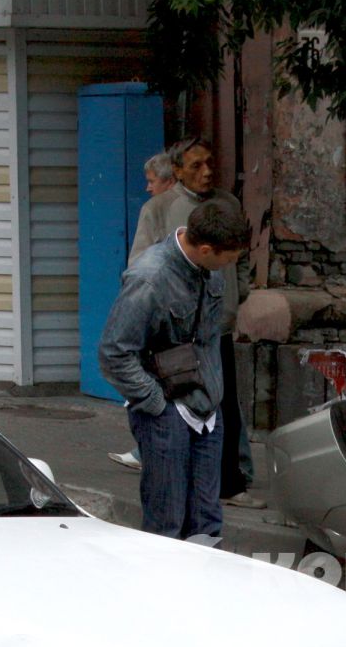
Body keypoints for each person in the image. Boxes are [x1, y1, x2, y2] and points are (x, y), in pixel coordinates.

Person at [97, 199, 252, 546]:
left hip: (208, 409)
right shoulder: (149, 279)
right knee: (166, 524)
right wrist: (156, 404)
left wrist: (215, 394)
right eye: (228, 258)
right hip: (166, 411)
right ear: (207, 249)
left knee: (207, 523)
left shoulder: (210, 267)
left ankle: (206, 593)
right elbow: (114, 353)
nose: (232, 266)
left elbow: (210, 340)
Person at [120, 138, 263, 508]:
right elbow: (139, 263)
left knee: (224, 404)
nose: (206, 172)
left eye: (209, 164)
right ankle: (183, 484)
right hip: (176, 334)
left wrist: (238, 291)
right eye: (196, 166)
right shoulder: (160, 208)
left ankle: (229, 484)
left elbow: (241, 253)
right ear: (178, 170)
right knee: (181, 405)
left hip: (220, 327)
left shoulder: (226, 204)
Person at [107, 152, 180, 474]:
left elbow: (138, 261)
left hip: (158, 311)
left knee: (147, 375)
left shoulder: (156, 209)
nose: (149, 188)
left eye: (152, 181)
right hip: (195, 316)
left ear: (170, 179)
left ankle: (146, 449)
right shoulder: (205, 209)